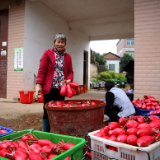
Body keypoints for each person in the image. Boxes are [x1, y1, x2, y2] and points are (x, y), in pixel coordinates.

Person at [35, 33, 74, 132]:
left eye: (62, 42)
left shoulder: (68, 57)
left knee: (60, 110)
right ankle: (46, 132)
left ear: (65, 44)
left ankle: (58, 130)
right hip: (49, 88)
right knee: (47, 111)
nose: (60, 44)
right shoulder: (47, 53)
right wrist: (38, 85)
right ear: (54, 42)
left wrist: (69, 79)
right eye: (58, 42)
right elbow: (42, 70)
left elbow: (70, 71)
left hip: (61, 89)